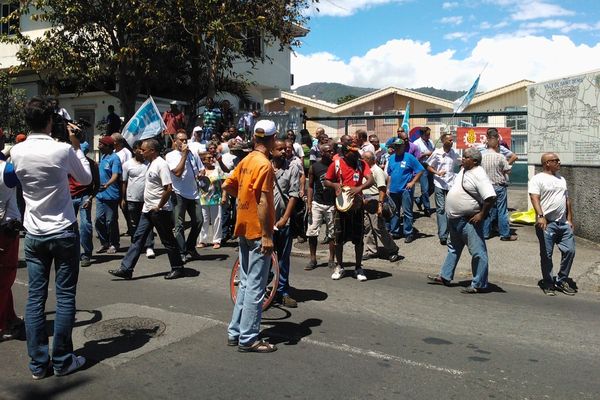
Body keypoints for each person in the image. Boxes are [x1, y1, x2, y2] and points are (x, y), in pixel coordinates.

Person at [11, 97, 92, 379]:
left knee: (35, 300)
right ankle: (62, 360)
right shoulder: (61, 150)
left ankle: (38, 364)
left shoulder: (16, 152)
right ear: (49, 121)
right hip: (63, 230)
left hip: (34, 232)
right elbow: (84, 179)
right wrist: (76, 144)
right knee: (65, 295)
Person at [224, 120, 277, 353]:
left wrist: (245, 199)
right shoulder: (264, 165)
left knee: (245, 283)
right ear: (272, 139)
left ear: (256, 138)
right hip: (257, 230)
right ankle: (248, 338)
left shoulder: (246, 160)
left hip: (243, 226)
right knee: (255, 286)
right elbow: (264, 201)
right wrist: (267, 235)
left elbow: (228, 185)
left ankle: (235, 332)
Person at [109, 139, 185, 280]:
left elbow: (168, 188)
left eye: (144, 150)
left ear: (152, 151)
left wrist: (159, 206)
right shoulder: (150, 164)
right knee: (138, 238)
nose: (141, 152)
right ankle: (126, 268)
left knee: (167, 240)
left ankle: (177, 267)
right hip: (147, 209)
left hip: (159, 211)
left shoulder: (161, 165)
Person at [427, 147, 496, 294]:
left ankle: (479, 284)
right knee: (453, 249)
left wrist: (481, 215)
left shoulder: (479, 174)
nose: (462, 159)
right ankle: (445, 276)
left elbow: (490, 197)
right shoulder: (465, 171)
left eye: (466, 157)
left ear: (475, 161)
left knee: (478, 252)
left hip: (469, 221)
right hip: (455, 220)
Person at [324, 140, 374, 281]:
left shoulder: (361, 163)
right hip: (341, 208)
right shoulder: (337, 164)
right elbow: (326, 181)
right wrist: (334, 185)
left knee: (358, 238)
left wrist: (359, 188)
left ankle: (358, 267)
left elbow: (371, 180)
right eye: (353, 153)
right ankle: (339, 266)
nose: (356, 155)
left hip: (357, 207)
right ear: (345, 153)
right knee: (338, 238)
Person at [528, 153, 576, 296]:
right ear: (547, 163)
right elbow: (534, 198)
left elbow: (567, 200)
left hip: (563, 224)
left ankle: (561, 280)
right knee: (547, 255)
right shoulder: (538, 179)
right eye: (556, 161)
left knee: (570, 251)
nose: (559, 162)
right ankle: (548, 283)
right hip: (547, 223)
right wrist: (541, 216)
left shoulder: (561, 179)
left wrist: (570, 219)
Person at [165, 131, 205, 262]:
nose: (184, 142)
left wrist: (201, 173)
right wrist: (183, 155)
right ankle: (181, 251)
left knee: (199, 221)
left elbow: (201, 168)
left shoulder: (193, 154)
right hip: (179, 193)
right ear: (175, 141)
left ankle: (190, 247)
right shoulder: (170, 155)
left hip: (193, 193)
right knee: (179, 225)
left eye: (185, 140)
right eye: (181, 140)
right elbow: (177, 172)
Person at [361, 151, 400, 262]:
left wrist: (380, 204)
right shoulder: (367, 170)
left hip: (374, 199)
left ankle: (392, 249)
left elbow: (382, 188)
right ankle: (371, 250)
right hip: (366, 200)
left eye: (364, 159)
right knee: (368, 227)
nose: (362, 161)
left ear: (369, 159)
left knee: (378, 227)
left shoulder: (376, 171)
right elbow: (388, 178)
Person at [0, 158, 23, 342]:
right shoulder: (6, 169)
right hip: (5, 230)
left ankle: (10, 316)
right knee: (5, 277)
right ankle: (2, 327)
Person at [122, 141, 155, 259]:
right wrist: (123, 198)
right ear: (134, 150)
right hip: (132, 199)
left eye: (142, 149)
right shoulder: (127, 165)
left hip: (146, 199)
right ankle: (136, 245)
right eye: (138, 148)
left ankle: (149, 246)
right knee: (134, 223)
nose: (140, 151)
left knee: (148, 223)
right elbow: (124, 182)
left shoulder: (149, 164)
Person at [425, 133, 460, 245]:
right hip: (439, 184)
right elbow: (428, 165)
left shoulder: (454, 153)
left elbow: (460, 162)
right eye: (449, 140)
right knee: (440, 209)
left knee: (451, 209)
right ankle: (443, 235)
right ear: (443, 141)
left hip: (451, 184)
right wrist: (437, 173)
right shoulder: (437, 153)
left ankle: (452, 231)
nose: (452, 142)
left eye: (452, 140)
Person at [305, 143, 336, 271]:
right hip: (317, 203)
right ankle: (313, 259)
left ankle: (331, 259)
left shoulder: (336, 166)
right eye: (329, 151)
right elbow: (311, 186)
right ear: (322, 153)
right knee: (312, 232)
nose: (331, 153)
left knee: (332, 233)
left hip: (332, 204)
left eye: (332, 151)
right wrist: (309, 203)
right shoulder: (315, 167)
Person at [386, 139, 424, 243]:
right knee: (394, 212)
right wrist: (388, 188)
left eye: (399, 146)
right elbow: (389, 174)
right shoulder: (392, 158)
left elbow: (420, 170)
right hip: (393, 190)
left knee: (407, 212)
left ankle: (408, 233)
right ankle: (395, 231)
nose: (397, 148)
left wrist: (412, 182)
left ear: (403, 146)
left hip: (405, 190)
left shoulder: (409, 157)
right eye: (396, 146)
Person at [69, 144, 100, 267]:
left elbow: (97, 184)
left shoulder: (91, 164)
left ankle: (86, 253)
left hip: (84, 197)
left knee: (85, 225)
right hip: (69, 198)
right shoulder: (68, 163)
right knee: (69, 226)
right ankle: (72, 252)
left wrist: (90, 198)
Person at [481, 135, 517, 241]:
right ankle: (505, 234)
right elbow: (507, 170)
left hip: (486, 187)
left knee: (486, 209)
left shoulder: (481, 156)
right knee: (502, 210)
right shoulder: (500, 156)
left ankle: (485, 233)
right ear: (497, 145)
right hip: (499, 186)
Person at [95, 135, 122, 254]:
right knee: (99, 220)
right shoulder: (103, 157)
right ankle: (104, 242)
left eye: (101, 144)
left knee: (110, 221)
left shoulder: (114, 158)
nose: (98, 146)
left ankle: (114, 243)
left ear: (108, 146)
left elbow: (115, 175)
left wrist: (107, 184)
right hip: (100, 195)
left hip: (111, 195)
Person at [197, 152, 225, 249]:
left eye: (212, 157)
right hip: (202, 199)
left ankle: (216, 240)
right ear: (203, 160)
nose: (211, 159)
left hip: (215, 198)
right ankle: (202, 240)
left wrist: (224, 196)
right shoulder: (200, 171)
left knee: (217, 219)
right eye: (208, 158)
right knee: (203, 220)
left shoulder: (217, 169)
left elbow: (224, 183)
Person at [413, 127, 435, 216]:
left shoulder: (431, 142)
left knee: (432, 188)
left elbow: (433, 152)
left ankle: (419, 200)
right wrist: (425, 154)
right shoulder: (416, 144)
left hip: (430, 165)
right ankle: (427, 208)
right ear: (421, 135)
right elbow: (415, 158)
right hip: (422, 166)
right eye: (427, 135)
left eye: (429, 134)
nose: (428, 136)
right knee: (425, 189)